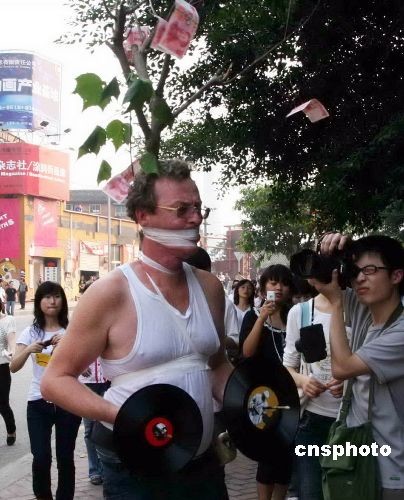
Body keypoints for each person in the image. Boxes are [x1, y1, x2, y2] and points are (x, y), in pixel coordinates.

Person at [41, 159, 233, 500]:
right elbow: (55, 380)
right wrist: (124, 417)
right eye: (182, 209)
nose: (195, 218)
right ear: (143, 216)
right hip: (134, 467)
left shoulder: (209, 287)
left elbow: (217, 366)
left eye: (199, 208)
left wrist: (253, 399)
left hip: (203, 463)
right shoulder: (110, 292)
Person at [315, 233, 404, 499]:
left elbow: (342, 367)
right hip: (357, 458)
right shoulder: (367, 312)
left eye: (371, 270)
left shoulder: (400, 330)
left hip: (391, 470)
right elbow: (319, 279)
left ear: (396, 275)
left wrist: (336, 303)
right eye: (356, 272)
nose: (360, 279)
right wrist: (326, 249)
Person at [10, 281, 81, 500]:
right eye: (47, 297)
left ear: (63, 301)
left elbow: (85, 368)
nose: (52, 301)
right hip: (38, 401)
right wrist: (29, 350)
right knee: (40, 457)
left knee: (65, 458)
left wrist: (67, 345)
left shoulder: (73, 330)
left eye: (57, 296)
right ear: (39, 302)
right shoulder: (31, 332)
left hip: (68, 401)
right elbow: (13, 366)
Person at [239, 264, 295, 500]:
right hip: (264, 394)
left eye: (284, 283)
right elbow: (247, 352)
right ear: (263, 289)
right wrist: (262, 318)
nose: (279, 287)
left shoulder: (295, 314)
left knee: (287, 456)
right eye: (273, 283)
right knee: (268, 455)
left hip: (292, 392)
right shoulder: (253, 315)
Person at [284, 287, 345, 499]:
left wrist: (350, 381)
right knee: (310, 492)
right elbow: (287, 367)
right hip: (311, 421)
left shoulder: (361, 309)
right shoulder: (300, 312)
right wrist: (304, 381)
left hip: (351, 422)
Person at [79, 359, 110, 486]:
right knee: (90, 430)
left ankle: (108, 469)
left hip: (108, 382)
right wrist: (80, 365)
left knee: (107, 428)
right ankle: (94, 471)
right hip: (87, 384)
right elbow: (71, 352)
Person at [0, 309, 17, 445]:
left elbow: (12, 343)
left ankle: (11, 430)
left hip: (1, 367)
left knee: (2, 403)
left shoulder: (7, 320)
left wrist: (12, 352)